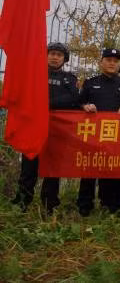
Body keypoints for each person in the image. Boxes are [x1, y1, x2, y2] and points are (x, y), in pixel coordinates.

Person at [11, 42, 79, 213]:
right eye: (52, 53)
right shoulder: (34, 74)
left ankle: (50, 204)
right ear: (46, 55)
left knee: (53, 168)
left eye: (59, 55)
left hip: (57, 132)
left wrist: (44, 104)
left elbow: (72, 100)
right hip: (33, 130)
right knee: (29, 167)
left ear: (65, 59)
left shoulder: (69, 79)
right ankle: (22, 201)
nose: (55, 57)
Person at [77, 48, 120, 216]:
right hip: (92, 136)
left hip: (115, 137)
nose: (112, 63)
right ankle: (84, 205)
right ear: (101, 62)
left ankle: (109, 206)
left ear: (119, 64)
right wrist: (85, 106)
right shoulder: (90, 83)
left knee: (110, 171)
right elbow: (78, 103)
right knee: (89, 171)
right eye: (108, 60)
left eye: (115, 61)